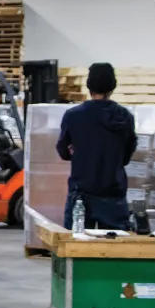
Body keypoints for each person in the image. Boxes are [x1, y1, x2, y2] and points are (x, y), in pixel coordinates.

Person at [57, 63, 137, 230]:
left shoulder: (74, 116)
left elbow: (63, 151)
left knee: (75, 246)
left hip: (82, 193)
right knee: (114, 248)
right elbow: (127, 156)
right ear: (112, 87)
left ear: (89, 86)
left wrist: (79, 153)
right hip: (113, 192)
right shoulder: (125, 117)